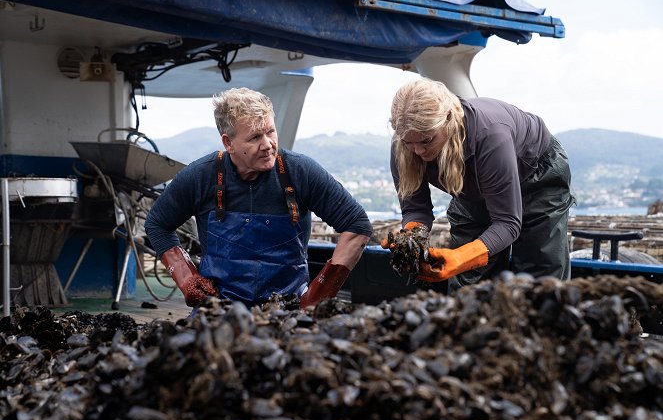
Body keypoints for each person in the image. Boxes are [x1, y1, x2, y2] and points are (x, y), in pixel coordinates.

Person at [145, 87, 372, 308]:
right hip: (218, 309)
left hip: (287, 310)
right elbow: (157, 224)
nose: (267, 145)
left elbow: (357, 225)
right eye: (254, 137)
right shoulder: (200, 176)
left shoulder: (301, 172)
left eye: (270, 131)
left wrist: (317, 297)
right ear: (228, 143)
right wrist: (187, 279)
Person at [385, 78, 575, 290]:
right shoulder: (404, 146)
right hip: (474, 189)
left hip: (536, 177)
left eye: (427, 141)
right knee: (469, 282)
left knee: (540, 275)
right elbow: (415, 208)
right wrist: (411, 238)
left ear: (447, 120)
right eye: (408, 142)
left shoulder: (491, 135)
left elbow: (507, 222)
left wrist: (461, 257)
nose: (418, 151)